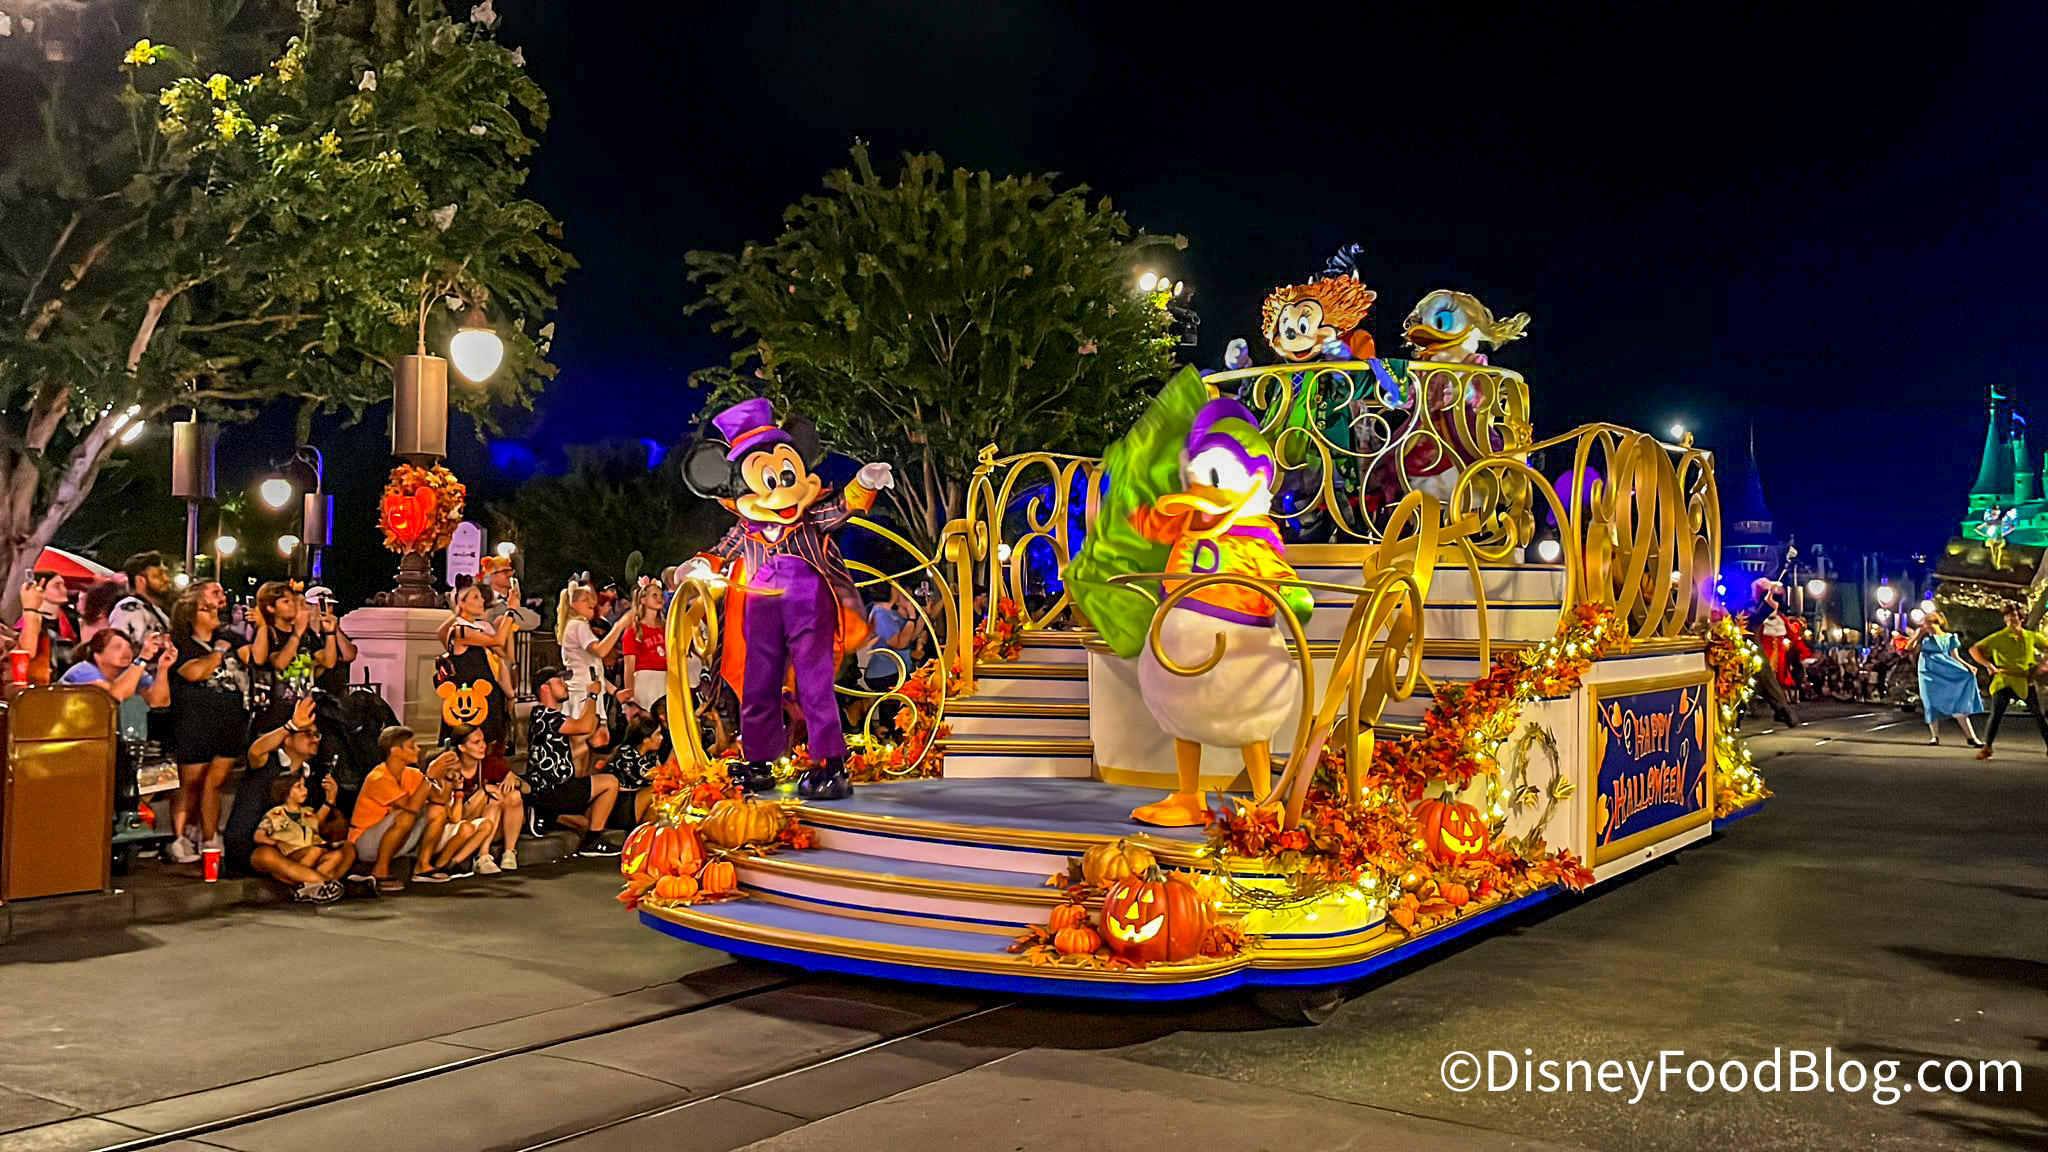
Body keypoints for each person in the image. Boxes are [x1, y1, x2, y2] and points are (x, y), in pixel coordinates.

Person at [166, 590, 253, 864]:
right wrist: (217, 653)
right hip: (195, 721)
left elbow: (256, 657)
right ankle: (179, 838)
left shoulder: (229, 638)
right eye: (206, 608)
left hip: (230, 720)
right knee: (190, 782)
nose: (216, 611)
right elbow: (194, 673)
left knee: (215, 782)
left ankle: (208, 836)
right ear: (191, 615)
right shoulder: (181, 644)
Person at [523, 666, 621, 857]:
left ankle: (548, 816)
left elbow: (586, 727)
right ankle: (592, 842)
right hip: (553, 788)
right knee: (610, 783)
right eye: (559, 681)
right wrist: (592, 696)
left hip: (558, 787)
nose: (565, 685)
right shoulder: (544, 714)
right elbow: (584, 726)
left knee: (587, 821)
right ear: (545, 688)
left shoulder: (550, 716)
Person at [348, 726, 442, 892]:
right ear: (395, 751)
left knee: (437, 811)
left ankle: (423, 865)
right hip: (364, 845)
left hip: (398, 840)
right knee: (406, 815)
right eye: (412, 746)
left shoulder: (412, 774)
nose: (418, 749)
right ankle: (380, 871)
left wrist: (448, 776)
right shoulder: (378, 778)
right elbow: (411, 808)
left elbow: (440, 800)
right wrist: (430, 776)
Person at [412, 726, 508, 882]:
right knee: (465, 827)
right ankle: (424, 865)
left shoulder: (455, 784)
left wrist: (458, 791)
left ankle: (447, 864)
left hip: (448, 830)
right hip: (428, 835)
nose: (483, 746)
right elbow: (446, 813)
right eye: (477, 742)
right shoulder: (434, 783)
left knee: (486, 825)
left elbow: (456, 817)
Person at [554, 580, 634, 761]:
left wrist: (615, 692)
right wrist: (620, 626)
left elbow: (593, 669)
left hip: (590, 691)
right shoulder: (577, 625)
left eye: (591, 597)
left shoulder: (580, 626)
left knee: (589, 747)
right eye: (585, 599)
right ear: (573, 605)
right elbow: (599, 651)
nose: (592, 602)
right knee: (581, 745)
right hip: (583, 693)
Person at [437, 584, 515, 761]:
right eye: (475, 597)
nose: (481, 601)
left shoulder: (474, 629)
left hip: (486, 696)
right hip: (469, 702)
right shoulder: (461, 631)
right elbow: (497, 640)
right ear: (462, 603)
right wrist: (510, 611)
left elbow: (506, 654)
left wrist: (508, 627)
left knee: (491, 750)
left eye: (481, 597)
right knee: (473, 747)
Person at [252, 769, 353, 903]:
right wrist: (275, 842)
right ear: (286, 791)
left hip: (313, 853)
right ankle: (317, 882)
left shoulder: (308, 813)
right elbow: (259, 836)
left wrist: (330, 798)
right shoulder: (275, 814)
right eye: (298, 787)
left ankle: (311, 886)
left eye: (304, 786)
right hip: (292, 855)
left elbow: (319, 819)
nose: (304, 790)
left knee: (336, 856)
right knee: (315, 850)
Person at [60, 628, 174, 743]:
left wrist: (163, 668)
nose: (126, 651)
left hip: (106, 737)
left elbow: (158, 702)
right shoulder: (83, 670)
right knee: (133, 701)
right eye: (117, 647)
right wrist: (143, 658)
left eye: (129, 647)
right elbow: (117, 696)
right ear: (97, 655)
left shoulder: (133, 672)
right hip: (71, 736)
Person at [1968, 603, 2048, 760]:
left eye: (2015, 616)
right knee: (1996, 714)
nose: (2012, 619)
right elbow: (1974, 649)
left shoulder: (2030, 636)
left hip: (2025, 681)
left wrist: (2044, 664)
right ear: (2005, 619)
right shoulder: (1999, 637)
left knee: (2039, 715)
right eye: (2009, 616)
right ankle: (1987, 747)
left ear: (2021, 619)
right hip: (2004, 681)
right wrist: (1988, 665)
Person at [250, 582, 329, 729]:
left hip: (302, 709)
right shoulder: (267, 632)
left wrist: (331, 633)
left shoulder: (307, 634)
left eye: (293, 600)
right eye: (286, 601)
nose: (292, 605)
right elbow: (279, 663)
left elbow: (328, 662)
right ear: (271, 608)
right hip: (273, 714)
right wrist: (297, 633)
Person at [1907, 612, 1984, 746]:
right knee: (1929, 702)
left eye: (1929, 624)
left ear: (1937, 623)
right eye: (1926, 624)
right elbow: (1909, 648)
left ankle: (1971, 737)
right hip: (1927, 671)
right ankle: (1934, 736)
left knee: (1957, 702)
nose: (1927, 627)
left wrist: (1968, 666)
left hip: (1945, 669)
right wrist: (1917, 636)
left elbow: (1955, 657)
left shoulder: (1949, 637)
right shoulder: (1925, 637)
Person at [602, 711, 665, 823]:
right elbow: (661, 776)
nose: (661, 738)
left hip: (635, 801)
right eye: (658, 734)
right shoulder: (627, 754)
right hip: (618, 807)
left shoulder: (651, 755)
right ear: (645, 738)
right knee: (658, 787)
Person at [620, 580, 671, 712]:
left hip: (666, 680)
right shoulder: (634, 630)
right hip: (645, 682)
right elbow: (629, 667)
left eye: (661, 595)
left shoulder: (666, 628)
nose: (659, 599)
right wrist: (630, 697)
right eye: (654, 595)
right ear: (642, 600)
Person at [109, 551, 175, 647]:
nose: (166, 579)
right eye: (158, 576)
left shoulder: (157, 610)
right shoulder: (128, 609)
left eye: (165, 573)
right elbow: (118, 649)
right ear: (140, 580)